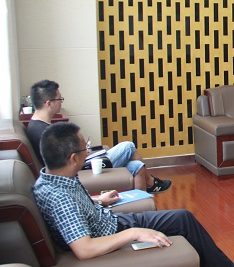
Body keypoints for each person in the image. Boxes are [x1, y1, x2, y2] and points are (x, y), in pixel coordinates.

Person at [33, 122, 234, 267]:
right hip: (114, 230)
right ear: (73, 158)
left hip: (110, 220)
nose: (88, 152)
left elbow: (73, 213)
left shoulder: (54, 178)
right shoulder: (59, 197)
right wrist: (134, 233)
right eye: (85, 148)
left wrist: (97, 200)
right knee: (182, 220)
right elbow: (84, 249)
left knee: (183, 218)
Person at [26, 80, 171, 194]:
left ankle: (143, 206)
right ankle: (151, 183)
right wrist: (83, 151)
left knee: (137, 166)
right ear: (49, 103)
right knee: (128, 146)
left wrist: (82, 148)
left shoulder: (36, 125)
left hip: (79, 161)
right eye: (59, 99)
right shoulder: (45, 133)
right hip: (79, 167)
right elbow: (65, 162)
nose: (61, 102)